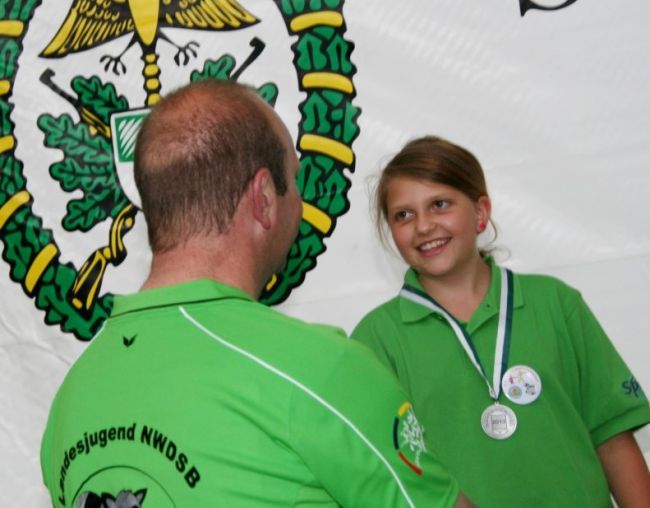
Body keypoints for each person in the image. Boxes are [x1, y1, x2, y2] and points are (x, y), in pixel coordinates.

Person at [40, 81, 472, 507]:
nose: (299, 201)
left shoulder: (70, 400)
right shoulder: (320, 371)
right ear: (264, 198)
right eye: (294, 180)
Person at [351, 135, 650, 507]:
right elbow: (381, 473)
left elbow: (613, 440)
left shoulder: (556, 304)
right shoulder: (375, 340)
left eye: (439, 204)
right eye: (403, 215)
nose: (423, 226)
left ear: (480, 213)